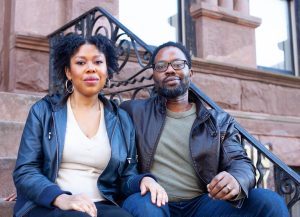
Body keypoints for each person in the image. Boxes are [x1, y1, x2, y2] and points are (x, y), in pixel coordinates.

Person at [120, 41, 290, 217]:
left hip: (203, 204)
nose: (170, 70)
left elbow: (240, 162)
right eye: (161, 66)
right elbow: (119, 164)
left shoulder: (218, 122)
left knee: (270, 202)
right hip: (152, 199)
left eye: (178, 64)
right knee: (145, 208)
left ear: (190, 73)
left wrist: (236, 180)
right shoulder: (133, 112)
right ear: (154, 75)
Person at [12, 34, 167, 217]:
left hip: (101, 205)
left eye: (98, 62)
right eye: (80, 63)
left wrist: (144, 180)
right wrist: (62, 198)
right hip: (52, 204)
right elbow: (26, 170)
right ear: (68, 72)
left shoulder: (122, 120)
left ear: (107, 70)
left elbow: (126, 176)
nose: (91, 69)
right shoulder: (44, 112)